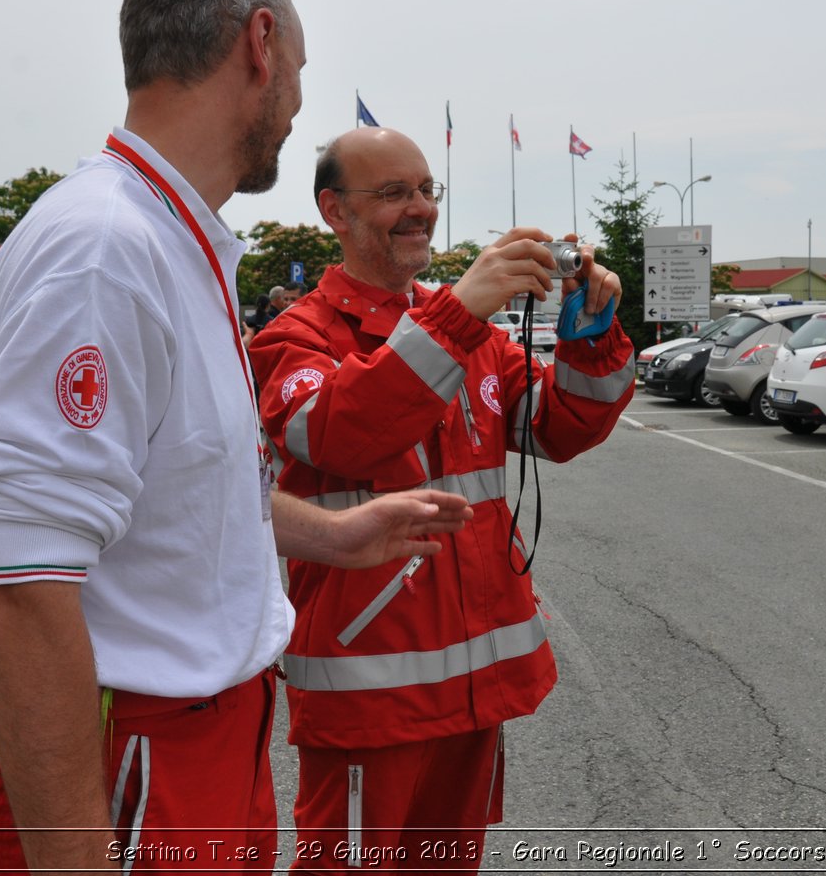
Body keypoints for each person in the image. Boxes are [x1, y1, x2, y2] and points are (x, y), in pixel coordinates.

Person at [0, 0, 470, 875]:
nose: (299, 100)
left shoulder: (166, 240)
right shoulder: (107, 251)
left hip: (171, 748)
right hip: (124, 760)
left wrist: (334, 535)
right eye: (301, 70)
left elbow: (169, 487)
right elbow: (25, 596)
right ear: (259, 45)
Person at [248, 127, 636, 870]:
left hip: (474, 691)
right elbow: (336, 432)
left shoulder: (474, 336)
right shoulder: (297, 336)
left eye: (427, 190)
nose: (420, 208)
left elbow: (558, 428)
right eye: (394, 193)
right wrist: (458, 314)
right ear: (335, 210)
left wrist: (593, 340)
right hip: (371, 696)